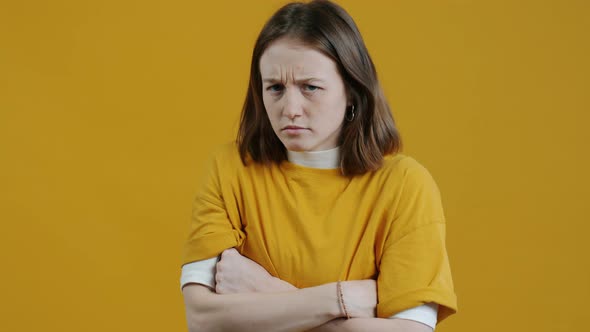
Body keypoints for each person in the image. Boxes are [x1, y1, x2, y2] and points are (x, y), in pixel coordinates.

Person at [180, 1, 457, 331]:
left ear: (352, 91)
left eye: (310, 87)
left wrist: (267, 292)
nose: (290, 108)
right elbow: (203, 319)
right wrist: (341, 300)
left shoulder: (406, 185)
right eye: (275, 88)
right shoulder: (229, 168)